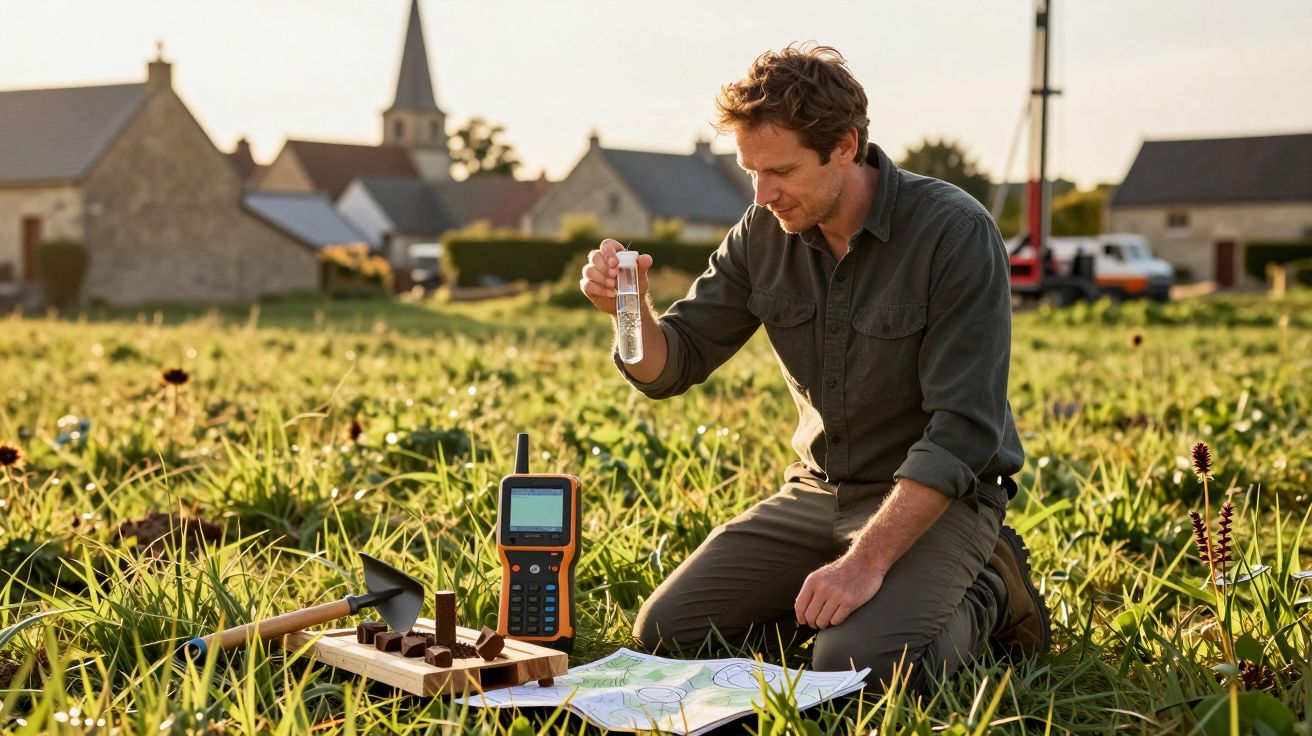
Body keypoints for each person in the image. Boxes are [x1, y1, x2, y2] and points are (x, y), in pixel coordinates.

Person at [578, 43, 1049, 691]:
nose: (763, 193)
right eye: (750, 172)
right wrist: (627, 311)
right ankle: (858, 609)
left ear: (846, 146)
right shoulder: (761, 231)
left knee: (859, 672)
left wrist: (863, 566)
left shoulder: (954, 233)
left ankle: (992, 590)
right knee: (668, 631)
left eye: (782, 171)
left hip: (938, 500)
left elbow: (964, 433)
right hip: (818, 490)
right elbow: (672, 365)